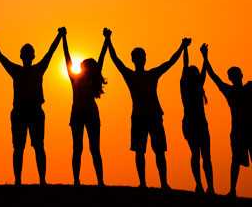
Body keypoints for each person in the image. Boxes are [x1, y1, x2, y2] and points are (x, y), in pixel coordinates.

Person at [107, 29, 191, 190]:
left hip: (152, 116)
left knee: (157, 151)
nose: (140, 59)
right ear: (135, 59)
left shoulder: (148, 74)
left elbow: (170, 62)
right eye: (139, 57)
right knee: (142, 151)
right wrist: (109, 40)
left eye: (141, 57)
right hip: (142, 116)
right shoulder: (134, 75)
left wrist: (182, 47)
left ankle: (161, 183)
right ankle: (147, 183)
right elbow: (116, 60)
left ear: (143, 59)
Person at [0, 28, 64, 186]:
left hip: (33, 111)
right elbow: (0, 56)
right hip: (22, 112)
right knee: (20, 148)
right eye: (26, 54)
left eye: (29, 54)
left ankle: (39, 180)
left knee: (37, 147)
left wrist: (59, 36)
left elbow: (50, 52)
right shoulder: (20, 70)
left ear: (30, 56)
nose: (28, 56)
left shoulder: (33, 70)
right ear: (23, 56)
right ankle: (20, 180)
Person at [201, 44, 252, 197]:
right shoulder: (234, 90)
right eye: (233, 75)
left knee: (235, 161)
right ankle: (232, 190)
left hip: (244, 130)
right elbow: (213, 76)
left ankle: (232, 190)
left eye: (235, 75)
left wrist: (205, 57)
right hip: (239, 131)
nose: (234, 77)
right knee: (235, 161)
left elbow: (214, 76)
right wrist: (205, 57)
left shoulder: (245, 89)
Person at [62, 27, 108, 186]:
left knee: (92, 149)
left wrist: (106, 41)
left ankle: (99, 181)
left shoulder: (86, 79)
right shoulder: (75, 79)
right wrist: (63, 39)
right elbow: (67, 59)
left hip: (87, 114)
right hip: (80, 114)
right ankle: (78, 180)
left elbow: (101, 58)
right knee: (80, 148)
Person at [180, 44, 214, 194]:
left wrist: (205, 56)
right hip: (193, 123)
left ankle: (207, 186)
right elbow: (185, 65)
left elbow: (203, 71)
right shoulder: (185, 85)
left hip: (198, 123)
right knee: (199, 154)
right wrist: (186, 49)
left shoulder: (197, 85)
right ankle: (201, 185)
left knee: (203, 155)